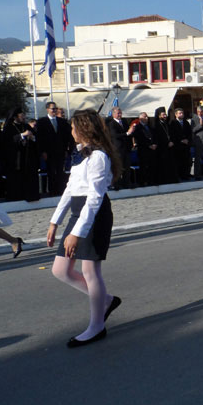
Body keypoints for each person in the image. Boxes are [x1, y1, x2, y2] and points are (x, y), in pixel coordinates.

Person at [47, 109, 122, 347]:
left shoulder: (98, 156)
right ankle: (105, 301)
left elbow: (94, 199)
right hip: (77, 212)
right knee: (61, 270)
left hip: (94, 215)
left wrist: (76, 233)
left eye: (72, 127)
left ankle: (97, 326)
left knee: (90, 271)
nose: (71, 132)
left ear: (83, 129)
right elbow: (70, 189)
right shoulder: (80, 154)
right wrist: (55, 221)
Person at [1, 107, 40, 202]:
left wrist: (32, 138)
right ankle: (16, 197)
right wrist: (21, 135)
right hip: (15, 159)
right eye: (21, 115)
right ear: (15, 117)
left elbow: (35, 138)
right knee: (16, 179)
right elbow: (7, 141)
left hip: (27, 158)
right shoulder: (9, 127)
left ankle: (30, 195)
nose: (24, 117)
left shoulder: (26, 126)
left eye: (24, 115)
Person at [36, 101, 73, 197]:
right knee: (51, 172)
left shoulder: (61, 121)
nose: (54, 110)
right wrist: (43, 151)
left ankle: (60, 190)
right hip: (49, 152)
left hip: (60, 151)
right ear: (47, 109)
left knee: (60, 171)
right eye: (53, 109)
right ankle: (52, 191)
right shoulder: (42, 122)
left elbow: (66, 137)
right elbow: (40, 138)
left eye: (55, 109)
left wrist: (66, 150)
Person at [106, 107, 134, 189]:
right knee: (118, 167)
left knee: (127, 167)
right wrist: (127, 133)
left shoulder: (124, 122)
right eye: (118, 113)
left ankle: (126, 183)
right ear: (113, 114)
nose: (120, 115)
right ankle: (116, 184)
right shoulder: (111, 123)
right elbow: (114, 135)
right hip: (118, 149)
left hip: (126, 148)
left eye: (120, 113)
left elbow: (129, 134)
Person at [153, 107, 178, 184]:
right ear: (159, 116)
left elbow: (171, 134)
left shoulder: (167, 124)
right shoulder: (156, 125)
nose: (165, 116)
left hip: (170, 147)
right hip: (162, 149)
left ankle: (171, 179)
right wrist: (167, 143)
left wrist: (172, 141)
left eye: (165, 114)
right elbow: (158, 137)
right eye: (163, 114)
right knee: (163, 165)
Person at [132, 112, 157, 186]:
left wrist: (155, 144)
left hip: (152, 149)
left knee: (151, 166)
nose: (146, 118)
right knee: (143, 166)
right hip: (143, 150)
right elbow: (139, 138)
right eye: (144, 117)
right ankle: (143, 181)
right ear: (140, 118)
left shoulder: (150, 127)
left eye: (147, 117)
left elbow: (154, 136)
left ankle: (151, 180)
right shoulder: (138, 127)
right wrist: (148, 145)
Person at [170, 108, 192, 181]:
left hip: (186, 146)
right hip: (178, 146)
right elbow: (172, 134)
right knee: (178, 162)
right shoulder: (173, 123)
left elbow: (190, 133)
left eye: (182, 113)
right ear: (176, 114)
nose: (181, 114)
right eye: (180, 113)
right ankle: (179, 176)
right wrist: (180, 140)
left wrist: (187, 140)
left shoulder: (186, 123)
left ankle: (186, 175)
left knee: (186, 161)